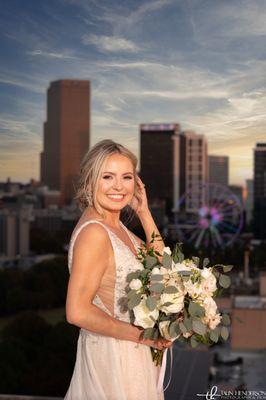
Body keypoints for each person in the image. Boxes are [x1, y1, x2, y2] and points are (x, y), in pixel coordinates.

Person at [64, 139, 171, 400]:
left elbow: (161, 267)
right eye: (108, 177)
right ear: (90, 182)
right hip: (114, 358)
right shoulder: (95, 233)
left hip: (131, 351)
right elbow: (76, 311)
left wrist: (144, 213)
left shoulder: (115, 224)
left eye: (126, 177)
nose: (118, 186)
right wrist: (144, 337)